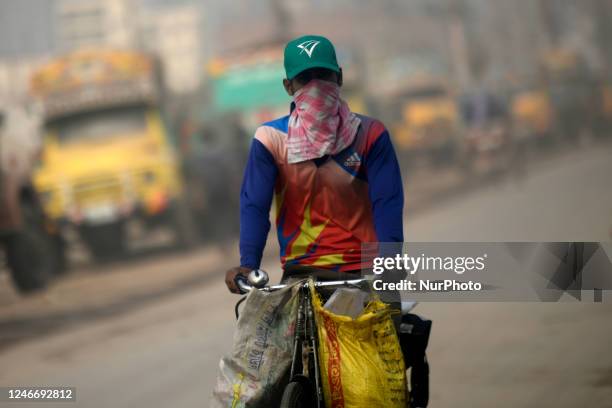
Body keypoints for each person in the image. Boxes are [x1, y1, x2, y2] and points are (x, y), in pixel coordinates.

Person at [225, 34, 404, 292]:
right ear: (288, 87)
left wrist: (390, 260)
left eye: (323, 75)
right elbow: (255, 205)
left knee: (390, 329)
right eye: (305, 79)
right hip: (303, 274)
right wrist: (248, 264)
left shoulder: (370, 134)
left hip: (366, 270)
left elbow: (387, 202)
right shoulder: (270, 140)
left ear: (339, 78)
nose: (316, 87)